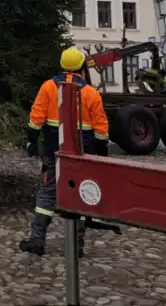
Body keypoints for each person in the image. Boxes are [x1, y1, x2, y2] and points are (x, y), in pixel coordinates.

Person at [19, 47, 109, 258]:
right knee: (80, 194)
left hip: (53, 152)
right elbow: (101, 130)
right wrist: (101, 155)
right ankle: (77, 246)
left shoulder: (48, 87)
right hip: (82, 155)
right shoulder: (91, 93)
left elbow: (35, 119)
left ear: (61, 65)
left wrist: (31, 142)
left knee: (48, 192)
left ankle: (37, 240)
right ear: (82, 67)